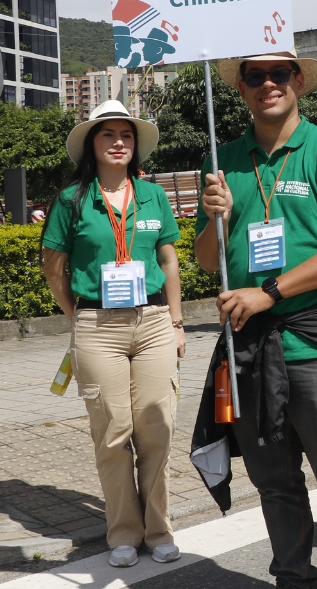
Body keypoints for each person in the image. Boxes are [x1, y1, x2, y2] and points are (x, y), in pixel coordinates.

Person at [192, 50, 317, 589]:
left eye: (278, 74)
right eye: (255, 76)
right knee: (275, 486)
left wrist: (269, 293)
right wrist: (218, 219)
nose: (268, 84)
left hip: (314, 347)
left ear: (298, 81)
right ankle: (292, 580)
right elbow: (208, 261)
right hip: (249, 349)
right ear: (241, 88)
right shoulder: (223, 158)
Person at [40, 100, 185, 568]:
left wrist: (177, 322)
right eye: (108, 134)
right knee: (113, 431)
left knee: (156, 429)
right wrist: (77, 316)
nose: (118, 142)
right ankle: (123, 531)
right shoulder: (71, 199)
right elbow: (54, 268)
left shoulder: (153, 196)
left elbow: (168, 260)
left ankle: (159, 530)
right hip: (98, 327)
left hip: (155, 322)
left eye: (126, 134)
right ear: (92, 144)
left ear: (135, 145)